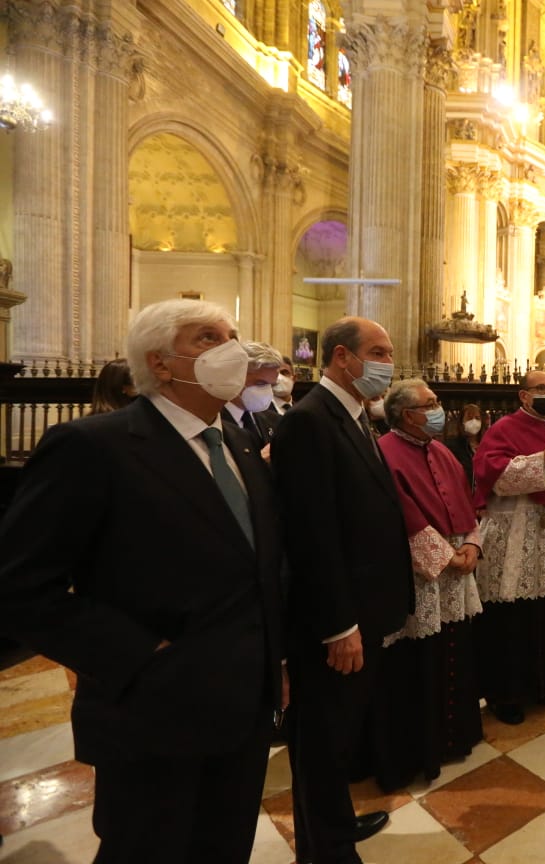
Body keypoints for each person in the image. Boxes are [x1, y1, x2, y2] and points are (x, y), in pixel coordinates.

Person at [0, 299, 285, 864]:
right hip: (153, 708)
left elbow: (258, 567)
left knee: (224, 846)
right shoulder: (93, 447)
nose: (231, 348)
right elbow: (20, 587)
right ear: (160, 362)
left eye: (233, 334)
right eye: (208, 338)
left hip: (244, 705)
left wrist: (275, 663)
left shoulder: (238, 443)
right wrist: (139, 654)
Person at [272, 316, 414, 864]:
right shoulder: (311, 421)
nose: (387, 363)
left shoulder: (353, 416)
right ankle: (324, 851)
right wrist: (339, 625)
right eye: (377, 351)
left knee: (339, 737)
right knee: (322, 744)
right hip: (337, 621)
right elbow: (312, 533)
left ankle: (331, 828)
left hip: (364, 609)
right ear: (340, 357)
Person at [367, 379, 483, 792]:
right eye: (429, 404)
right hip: (420, 574)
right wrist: (448, 558)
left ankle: (454, 737)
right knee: (419, 658)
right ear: (405, 414)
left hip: (456, 564)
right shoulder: (383, 453)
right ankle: (420, 749)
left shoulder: (442, 451)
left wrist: (470, 543)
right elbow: (401, 514)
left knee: (453, 646)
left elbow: (467, 503)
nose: (438, 410)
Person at [472, 370, 545, 725]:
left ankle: (539, 684)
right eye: (540, 388)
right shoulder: (503, 428)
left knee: (543, 609)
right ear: (523, 395)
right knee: (509, 612)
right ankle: (506, 693)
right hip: (511, 527)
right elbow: (490, 473)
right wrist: (542, 462)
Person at [222, 341, 283, 456]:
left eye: (271, 385)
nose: (267, 391)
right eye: (260, 383)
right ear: (235, 376)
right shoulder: (213, 422)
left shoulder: (275, 421)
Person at [446, 403, 487, 489]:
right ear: (462, 422)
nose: (474, 421)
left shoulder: (487, 445)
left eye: (477, 418)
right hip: (463, 494)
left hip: (485, 496)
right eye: (469, 417)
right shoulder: (452, 446)